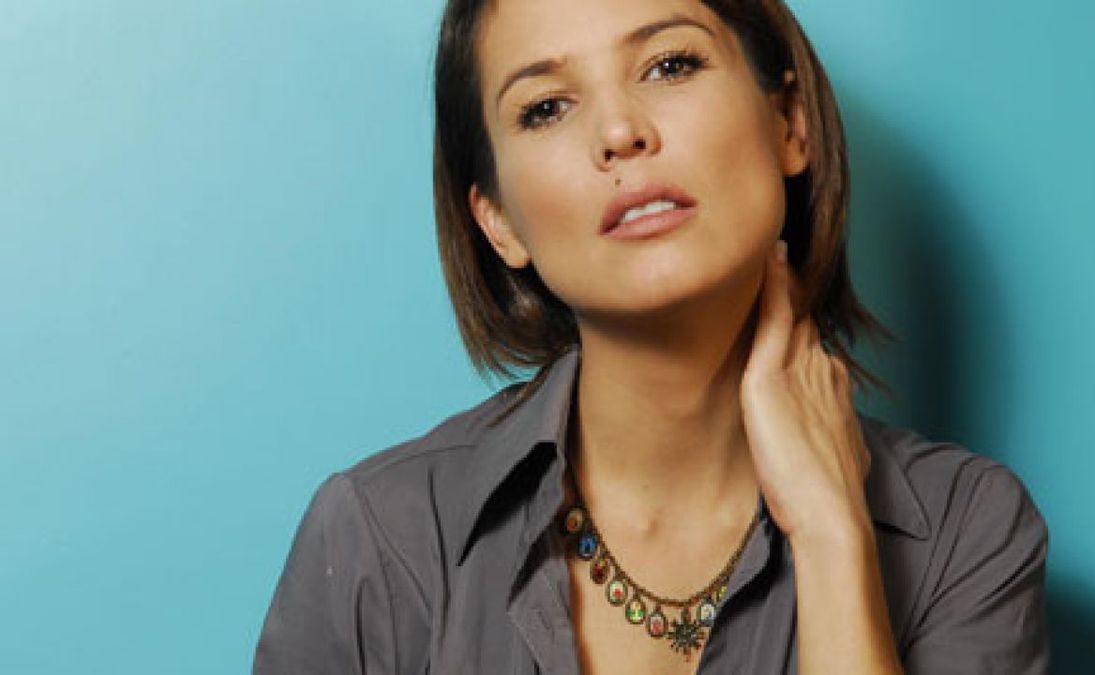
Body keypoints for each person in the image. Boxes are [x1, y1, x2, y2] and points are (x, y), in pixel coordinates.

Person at [252, 0, 1051, 673]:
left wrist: (829, 531)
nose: (619, 131)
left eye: (670, 65)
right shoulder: (379, 537)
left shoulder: (965, 533)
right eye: (546, 107)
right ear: (497, 222)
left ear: (789, 124)